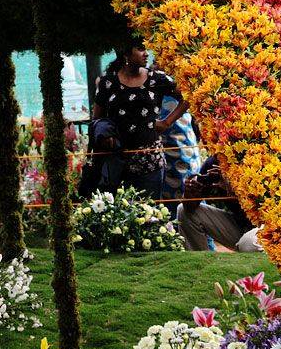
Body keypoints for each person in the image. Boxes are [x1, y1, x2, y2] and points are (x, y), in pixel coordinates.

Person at [92, 40, 188, 200]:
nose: (147, 53)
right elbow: (97, 118)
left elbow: (188, 96)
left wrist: (167, 122)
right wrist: (105, 135)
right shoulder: (107, 83)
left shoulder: (157, 79)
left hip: (150, 162)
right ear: (126, 53)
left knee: (149, 216)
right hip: (117, 162)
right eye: (141, 49)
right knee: (119, 218)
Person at [177, 155, 263, 252]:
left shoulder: (263, 155)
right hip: (241, 227)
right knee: (183, 210)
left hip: (269, 229)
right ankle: (199, 265)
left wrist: (232, 188)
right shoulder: (215, 162)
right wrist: (189, 195)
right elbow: (189, 209)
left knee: (249, 242)